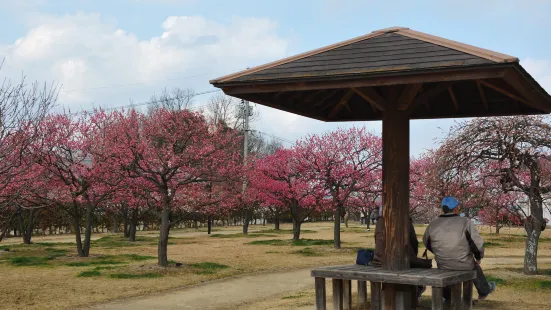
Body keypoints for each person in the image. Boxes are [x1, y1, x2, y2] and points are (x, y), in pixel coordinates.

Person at [423, 196, 496, 302]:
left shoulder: (433, 224)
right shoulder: (465, 222)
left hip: (443, 263)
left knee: (446, 272)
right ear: (456, 208)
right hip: (464, 263)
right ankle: (484, 291)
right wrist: (478, 257)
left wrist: (439, 252)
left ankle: (448, 297)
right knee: (475, 267)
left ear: (443, 209)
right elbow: (476, 244)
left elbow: (427, 242)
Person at [372, 207, 430, 307]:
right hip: (401, 260)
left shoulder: (379, 222)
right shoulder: (405, 220)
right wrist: (413, 256)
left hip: (380, 261)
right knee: (419, 265)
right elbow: (414, 242)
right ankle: (413, 298)